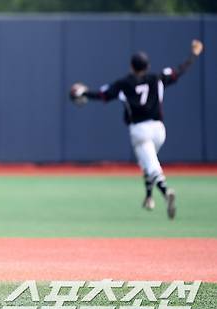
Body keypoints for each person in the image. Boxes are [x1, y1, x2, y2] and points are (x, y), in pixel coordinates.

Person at [69, 39, 204, 219]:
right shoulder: (157, 78)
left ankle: (165, 192)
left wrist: (83, 93)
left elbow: (102, 95)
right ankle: (149, 197)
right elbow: (179, 71)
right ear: (147, 66)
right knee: (147, 162)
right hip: (159, 130)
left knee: (152, 166)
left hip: (140, 130)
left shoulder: (124, 83)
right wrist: (194, 54)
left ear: (132, 66)